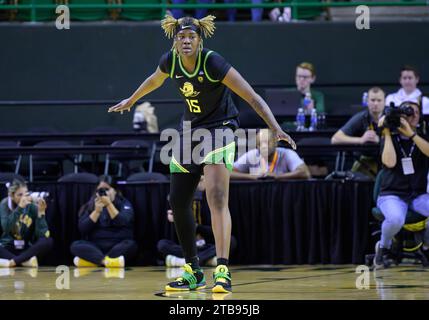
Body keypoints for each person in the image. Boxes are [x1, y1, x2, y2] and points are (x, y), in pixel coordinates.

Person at [108, 14, 295, 293]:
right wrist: (132, 100)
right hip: (190, 131)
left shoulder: (212, 62)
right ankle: (193, 271)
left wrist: (275, 127)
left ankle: (222, 269)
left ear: (199, 40)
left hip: (220, 129)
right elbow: (154, 80)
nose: (185, 41)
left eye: (191, 37)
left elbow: (251, 97)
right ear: (175, 40)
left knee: (216, 197)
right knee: (178, 200)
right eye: (181, 37)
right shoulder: (170, 60)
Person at [374, 101, 429, 268]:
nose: (411, 115)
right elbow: (389, 162)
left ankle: (426, 247)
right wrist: (387, 132)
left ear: (419, 118)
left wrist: (412, 135)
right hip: (392, 194)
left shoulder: (422, 137)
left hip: (417, 194)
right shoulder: (390, 137)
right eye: (407, 112)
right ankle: (383, 247)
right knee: (396, 219)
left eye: (415, 113)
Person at [157, 178, 237, 267]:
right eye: (196, 179)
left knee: (230, 241)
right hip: (188, 247)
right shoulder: (183, 199)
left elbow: (216, 230)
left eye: (201, 180)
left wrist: (197, 227)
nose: (197, 184)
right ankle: (206, 260)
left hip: (207, 244)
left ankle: (185, 262)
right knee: (162, 244)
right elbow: (175, 235)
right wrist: (175, 221)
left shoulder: (213, 200)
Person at [70, 176, 138, 268]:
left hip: (118, 244)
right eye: (100, 190)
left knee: (131, 245)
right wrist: (97, 211)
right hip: (96, 246)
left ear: (115, 190)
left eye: (107, 189)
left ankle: (94, 260)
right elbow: (83, 228)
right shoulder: (91, 205)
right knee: (76, 245)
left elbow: (122, 221)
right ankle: (107, 261)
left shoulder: (124, 203)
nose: (104, 193)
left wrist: (109, 204)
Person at [331, 87, 385, 179]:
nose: (376, 103)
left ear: (384, 102)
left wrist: (380, 140)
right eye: (372, 100)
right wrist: (361, 140)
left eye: (379, 100)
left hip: (386, 160)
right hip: (364, 162)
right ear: (367, 101)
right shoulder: (361, 117)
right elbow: (335, 139)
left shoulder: (390, 117)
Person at [0, 179, 53, 268]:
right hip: (8, 247)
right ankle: (24, 262)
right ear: (12, 196)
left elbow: (42, 235)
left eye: (26, 193)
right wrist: (20, 207)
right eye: (20, 195)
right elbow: (6, 228)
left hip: (26, 249)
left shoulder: (31, 206)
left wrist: (41, 214)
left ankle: (14, 262)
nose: (23, 197)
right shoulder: (5, 204)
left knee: (48, 241)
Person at [231, 128, 310, 180]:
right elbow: (229, 173)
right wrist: (251, 177)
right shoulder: (252, 155)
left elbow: (305, 173)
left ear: (276, 143)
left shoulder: (287, 154)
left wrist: (277, 176)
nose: (263, 147)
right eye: (260, 144)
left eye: (267, 143)